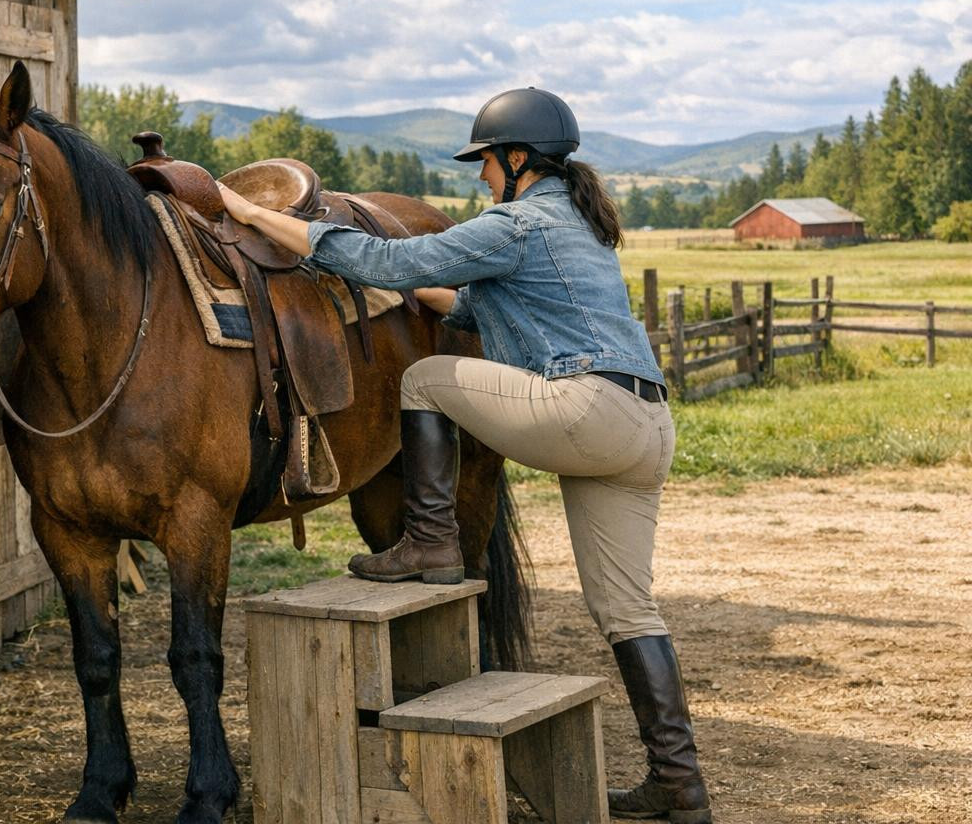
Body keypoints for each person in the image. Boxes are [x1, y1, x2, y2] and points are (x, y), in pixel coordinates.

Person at [218, 86, 712, 824]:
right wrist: (413, 297)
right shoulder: (575, 225)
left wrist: (257, 216)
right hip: (644, 427)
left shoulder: (517, 221)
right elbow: (472, 306)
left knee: (424, 379)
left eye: (486, 161)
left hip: (587, 410)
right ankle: (680, 785)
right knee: (627, 610)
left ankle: (430, 539)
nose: (479, 176)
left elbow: (386, 259)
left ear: (518, 160)